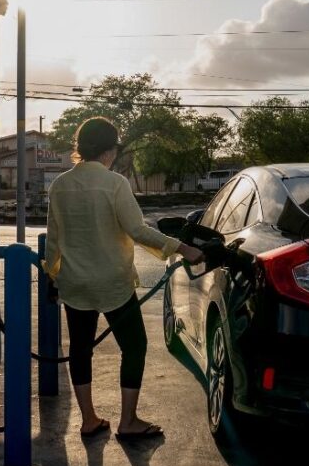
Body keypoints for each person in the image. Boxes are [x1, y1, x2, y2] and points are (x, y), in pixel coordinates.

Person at [43, 117, 205, 440]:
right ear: (108, 150)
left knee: (80, 349)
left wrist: (52, 275)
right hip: (113, 283)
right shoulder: (116, 183)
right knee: (135, 346)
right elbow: (137, 230)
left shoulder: (59, 185)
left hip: (74, 283)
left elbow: (53, 240)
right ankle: (128, 421)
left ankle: (89, 420)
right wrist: (182, 248)